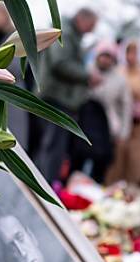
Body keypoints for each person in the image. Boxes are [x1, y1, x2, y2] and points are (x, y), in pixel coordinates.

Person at [36, 8, 98, 183]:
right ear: (82, 19)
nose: (91, 31)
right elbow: (60, 63)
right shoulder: (64, 33)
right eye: (91, 26)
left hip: (60, 99)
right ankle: (42, 186)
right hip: (56, 99)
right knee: (52, 147)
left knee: (52, 147)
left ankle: (42, 184)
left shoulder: (71, 35)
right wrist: (87, 76)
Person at [79, 39, 131, 183]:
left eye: (109, 57)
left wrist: (123, 133)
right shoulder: (86, 70)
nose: (105, 60)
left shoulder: (120, 80)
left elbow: (126, 108)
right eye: (103, 55)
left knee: (100, 165)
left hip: (106, 127)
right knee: (78, 160)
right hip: (83, 122)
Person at [106, 41, 140, 185]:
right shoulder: (117, 73)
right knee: (115, 164)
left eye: (135, 53)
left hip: (138, 128)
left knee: (135, 165)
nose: (131, 57)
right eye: (129, 52)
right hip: (119, 127)